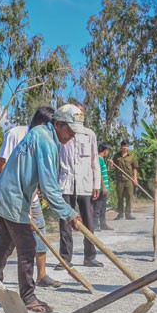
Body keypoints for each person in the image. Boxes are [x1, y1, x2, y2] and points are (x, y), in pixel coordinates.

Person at [0, 104, 83, 313]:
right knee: (27, 247)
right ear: (57, 123)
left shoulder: (39, 133)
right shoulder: (46, 142)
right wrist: (69, 213)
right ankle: (28, 296)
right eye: (69, 130)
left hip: (6, 195)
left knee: (4, 244)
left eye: (74, 132)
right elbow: (49, 186)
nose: (71, 136)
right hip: (13, 198)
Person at [0, 106, 62, 288]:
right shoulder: (16, 134)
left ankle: (41, 276)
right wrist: (19, 200)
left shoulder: (45, 141)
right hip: (6, 197)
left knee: (39, 234)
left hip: (30, 197)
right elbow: (2, 165)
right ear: (43, 124)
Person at [56, 99, 103, 269]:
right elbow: (56, 160)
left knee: (89, 221)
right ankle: (65, 258)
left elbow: (94, 160)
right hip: (65, 182)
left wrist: (96, 183)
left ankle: (90, 256)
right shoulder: (61, 133)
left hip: (85, 183)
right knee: (65, 221)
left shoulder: (89, 134)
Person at [112, 140, 138, 220]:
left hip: (129, 180)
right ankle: (120, 214)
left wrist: (135, 178)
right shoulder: (116, 156)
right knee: (120, 197)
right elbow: (113, 167)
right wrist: (111, 164)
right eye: (123, 146)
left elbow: (135, 168)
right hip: (120, 179)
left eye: (126, 146)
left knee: (129, 196)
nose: (125, 148)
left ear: (128, 146)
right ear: (121, 146)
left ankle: (128, 214)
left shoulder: (131, 157)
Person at [94, 142, 113, 231]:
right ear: (105, 151)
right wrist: (104, 186)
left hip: (104, 188)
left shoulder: (102, 160)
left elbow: (105, 172)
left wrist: (110, 166)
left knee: (103, 207)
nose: (108, 152)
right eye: (108, 150)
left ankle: (103, 224)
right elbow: (99, 174)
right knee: (97, 207)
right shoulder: (98, 159)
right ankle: (95, 225)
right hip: (100, 188)